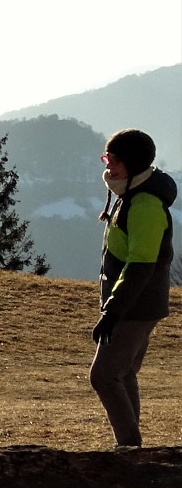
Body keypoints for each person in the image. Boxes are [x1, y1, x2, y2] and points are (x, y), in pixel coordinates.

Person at [90, 129, 174, 447]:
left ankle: (128, 447)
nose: (107, 165)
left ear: (132, 164)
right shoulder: (130, 195)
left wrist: (112, 311)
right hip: (134, 303)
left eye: (113, 160)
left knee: (104, 375)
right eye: (106, 157)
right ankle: (131, 450)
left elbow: (140, 265)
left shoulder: (145, 205)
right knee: (123, 373)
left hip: (135, 306)